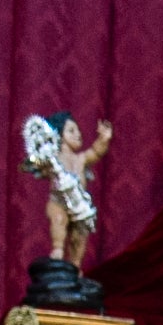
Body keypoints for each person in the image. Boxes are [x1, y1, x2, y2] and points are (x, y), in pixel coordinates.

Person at [20, 112, 114, 268]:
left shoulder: (81, 159)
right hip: (59, 202)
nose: (78, 134)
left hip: (80, 206)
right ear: (58, 135)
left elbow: (96, 152)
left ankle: (76, 266)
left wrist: (104, 138)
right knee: (59, 220)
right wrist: (35, 161)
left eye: (77, 130)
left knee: (80, 235)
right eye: (71, 131)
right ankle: (58, 249)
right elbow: (37, 165)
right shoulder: (53, 159)